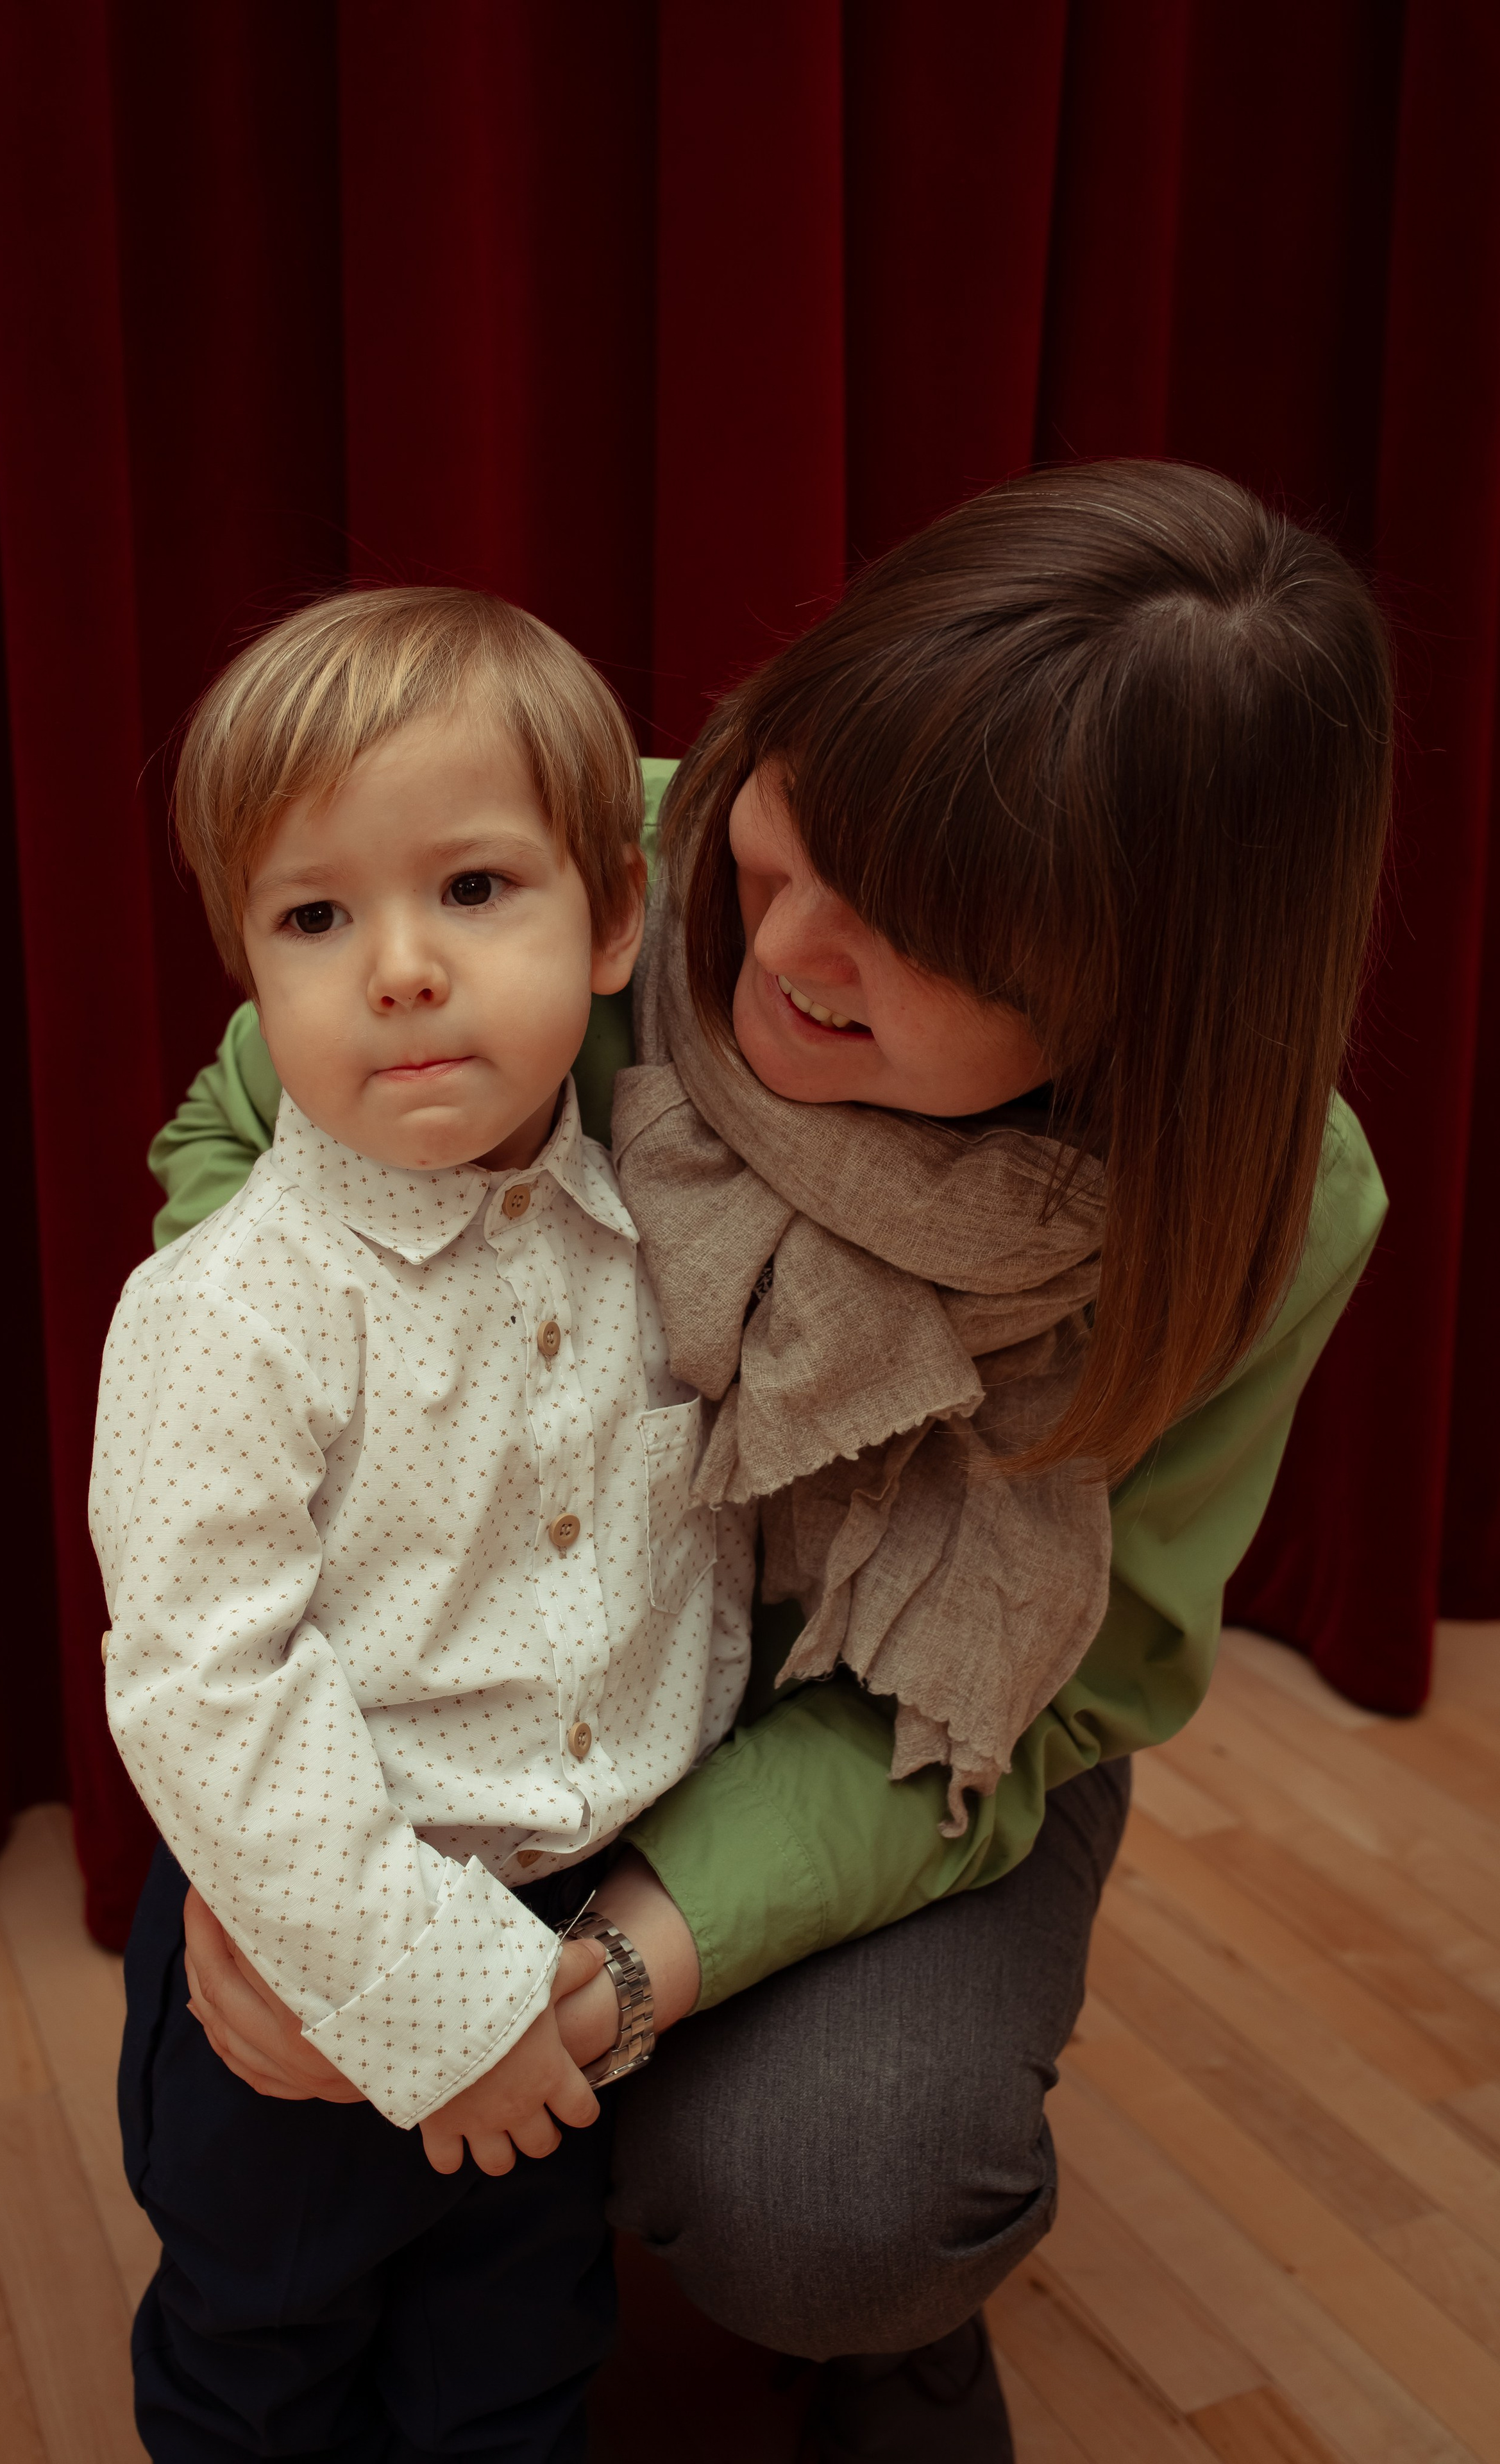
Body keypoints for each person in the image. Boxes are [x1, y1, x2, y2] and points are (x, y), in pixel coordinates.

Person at [166, 462, 1392, 2462]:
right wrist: (300, 1865)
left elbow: (1067, 1699)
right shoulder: (571, 866)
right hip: (467, 1666)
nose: (792, 948)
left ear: (1145, 1007)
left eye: (936, 941)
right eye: (795, 831)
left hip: (909, 1726)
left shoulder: (1270, 1204)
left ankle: (884, 2320)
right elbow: (236, 1176)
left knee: (839, 2198)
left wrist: (610, 1972)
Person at [92, 586, 757, 2461]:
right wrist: (426, 1992)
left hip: (561, 1944)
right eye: (317, 915)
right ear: (250, 967)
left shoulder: (662, 1240)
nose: (398, 964)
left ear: (613, 919)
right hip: (304, 1954)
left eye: (474, 889)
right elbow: (207, 1692)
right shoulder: (230, 1308)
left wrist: (560, 1965)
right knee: (264, 2355)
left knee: (515, 2355)